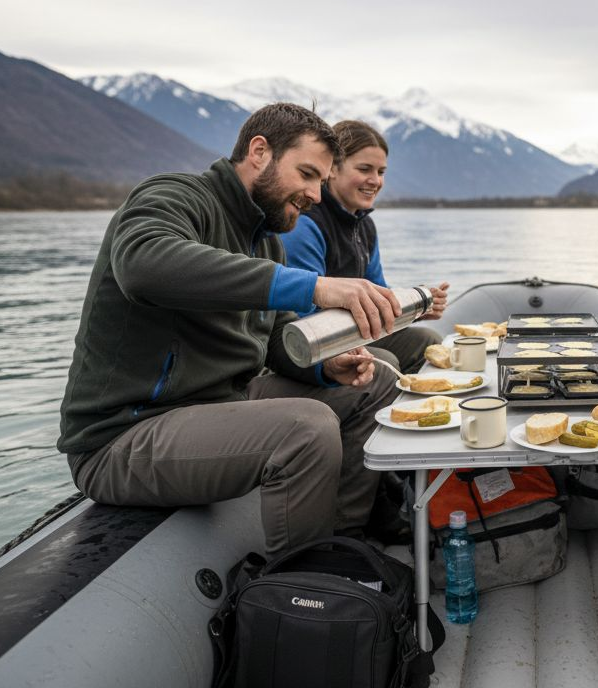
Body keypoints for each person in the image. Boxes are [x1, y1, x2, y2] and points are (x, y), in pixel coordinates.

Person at [58, 103, 404, 557]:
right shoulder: (174, 196)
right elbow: (143, 265)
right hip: (124, 436)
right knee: (306, 427)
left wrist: (328, 368)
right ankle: (303, 583)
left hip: (219, 404)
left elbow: (279, 341)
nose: (316, 195)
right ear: (259, 152)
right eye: (306, 174)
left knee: (377, 379)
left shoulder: (268, 242)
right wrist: (313, 287)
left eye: (321, 181)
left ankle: (347, 540)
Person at [281, 119, 448, 374]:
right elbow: (300, 313)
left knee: (427, 340)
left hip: (355, 332)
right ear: (333, 168)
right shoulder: (306, 224)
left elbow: (380, 292)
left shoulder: (365, 225)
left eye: (380, 172)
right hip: (315, 341)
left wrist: (419, 306)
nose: (375, 180)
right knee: (383, 364)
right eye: (364, 169)